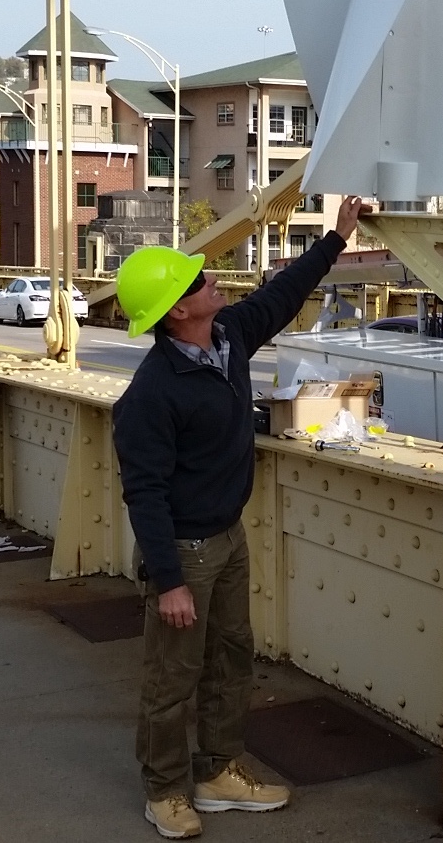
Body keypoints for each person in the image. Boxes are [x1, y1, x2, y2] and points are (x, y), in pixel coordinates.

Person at [113, 196, 369, 839]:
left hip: (228, 535)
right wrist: (168, 579)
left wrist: (334, 240)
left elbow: (282, 296)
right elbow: (143, 493)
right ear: (178, 312)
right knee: (172, 674)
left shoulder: (226, 340)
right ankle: (165, 791)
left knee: (230, 657)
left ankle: (218, 771)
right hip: (187, 550)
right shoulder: (152, 394)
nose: (212, 279)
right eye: (198, 281)